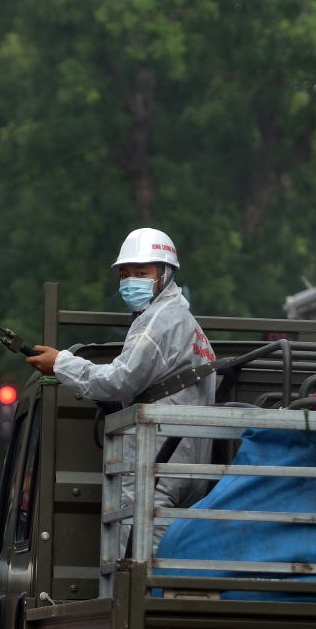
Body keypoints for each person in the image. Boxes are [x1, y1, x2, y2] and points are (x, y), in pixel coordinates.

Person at [26, 228, 215, 553]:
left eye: (141, 273)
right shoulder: (192, 329)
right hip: (188, 473)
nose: (131, 281)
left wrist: (61, 363)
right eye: (125, 274)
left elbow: (120, 380)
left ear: (165, 274)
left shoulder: (158, 320)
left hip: (153, 470)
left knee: (136, 578)